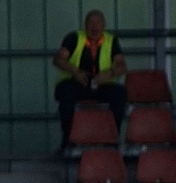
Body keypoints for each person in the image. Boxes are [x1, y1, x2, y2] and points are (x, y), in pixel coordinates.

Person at [53, 10, 128, 143]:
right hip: (76, 83)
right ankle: (68, 140)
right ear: (85, 25)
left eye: (98, 23)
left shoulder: (111, 40)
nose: (94, 27)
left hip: (101, 84)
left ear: (103, 26)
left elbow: (122, 66)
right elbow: (58, 60)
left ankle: (111, 139)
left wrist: (108, 74)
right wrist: (75, 72)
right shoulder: (74, 37)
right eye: (91, 23)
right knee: (65, 94)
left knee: (120, 94)